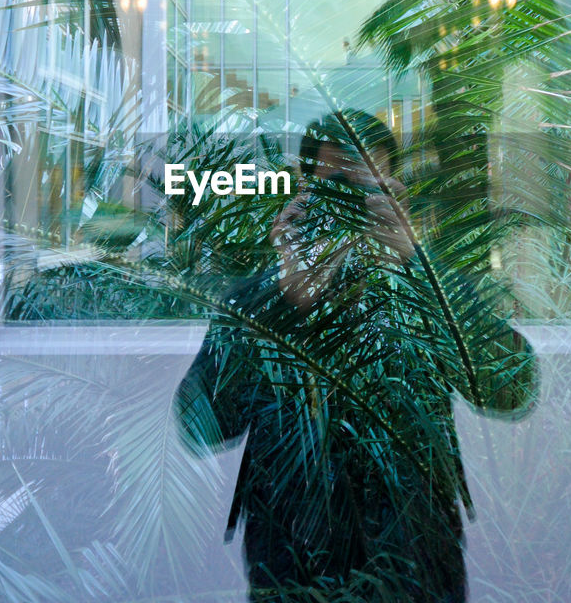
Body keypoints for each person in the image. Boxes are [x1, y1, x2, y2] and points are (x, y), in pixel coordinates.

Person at [174, 110, 538, 602]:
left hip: (415, 568)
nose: (349, 206)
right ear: (304, 194)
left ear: (394, 195)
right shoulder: (259, 299)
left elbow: (512, 389)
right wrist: (282, 296)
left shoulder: (430, 294)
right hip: (292, 571)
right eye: (335, 187)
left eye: (366, 190)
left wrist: (415, 267)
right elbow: (203, 424)